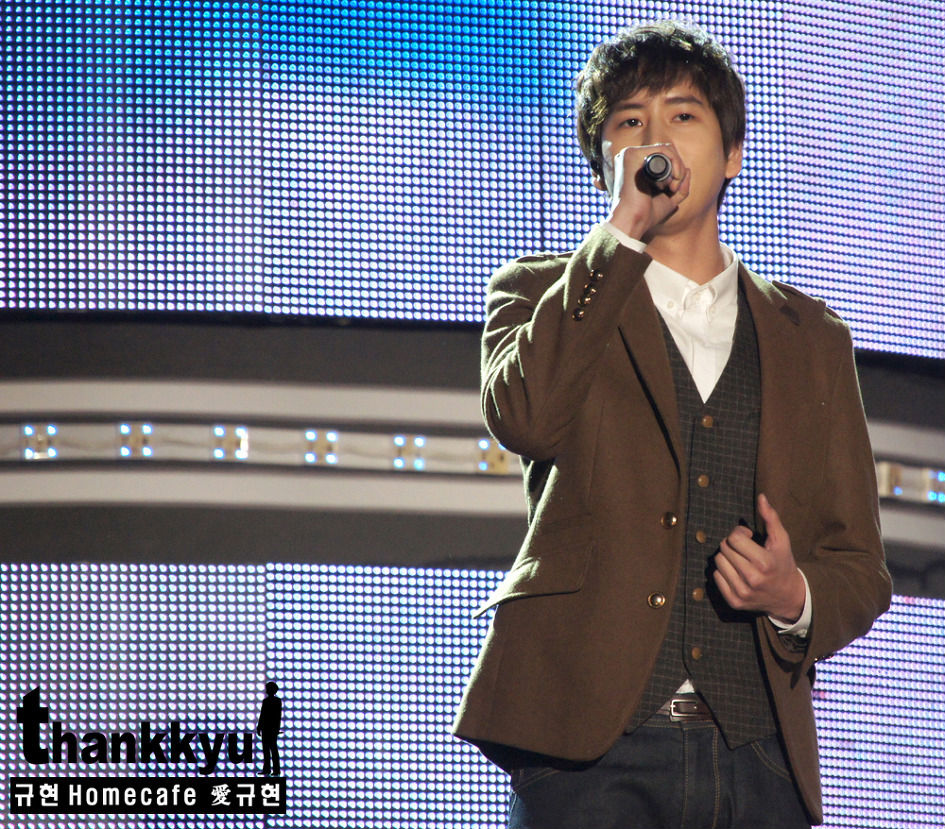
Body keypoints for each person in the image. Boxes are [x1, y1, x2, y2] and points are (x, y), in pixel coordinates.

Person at [452, 21, 891, 829]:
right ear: (603, 165)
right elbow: (526, 416)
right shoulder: (538, 293)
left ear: (732, 153)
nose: (655, 139)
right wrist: (619, 234)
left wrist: (790, 593)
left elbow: (859, 566)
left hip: (758, 755)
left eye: (682, 115)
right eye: (629, 121)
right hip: (586, 752)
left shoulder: (811, 338)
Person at [256, 681, 282, 777]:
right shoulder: (271, 701)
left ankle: (272, 770)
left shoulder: (270, 701)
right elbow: (263, 715)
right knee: (268, 749)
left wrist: (259, 727)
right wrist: (259, 727)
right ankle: (271, 769)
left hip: (269, 729)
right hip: (268, 729)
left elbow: (276, 716)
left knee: (271, 749)